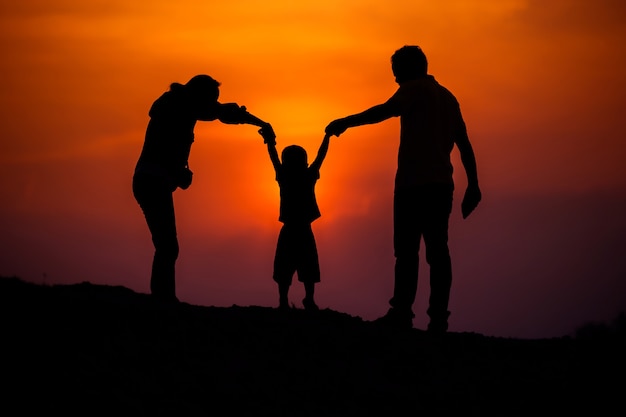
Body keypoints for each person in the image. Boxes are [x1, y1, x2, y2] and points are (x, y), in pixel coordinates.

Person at [325, 45, 481, 333]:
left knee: (407, 252)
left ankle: (402, 313)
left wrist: (345, 122)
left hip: (413, 185)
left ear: (407, 69)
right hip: (441, 185)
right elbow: (464, 143)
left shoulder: (413, 89)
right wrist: (473, 184)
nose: (395, 79)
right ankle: (438, 318)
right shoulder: (448, 97)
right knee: (438, 251)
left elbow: (383, 111)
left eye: (397, 72)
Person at [133, 74, 276, 303]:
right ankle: (163, 299)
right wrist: (177, 171)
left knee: (166, 245)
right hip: (152, 180)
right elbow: (219, 114)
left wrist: (259, 123)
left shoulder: (183, 106)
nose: (214, 104)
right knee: (168, 246)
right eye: (212, 99)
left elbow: (225, 113)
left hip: (152, 179)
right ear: (200, 95)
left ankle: (162, 296)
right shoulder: (175, 106)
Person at [264, 132, 331, 311]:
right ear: (305, 162)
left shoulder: (284, 176)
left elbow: (273, 157)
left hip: (290, 230)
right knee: (304, 267)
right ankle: (305, 299)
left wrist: (270, 143)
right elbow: (320, 156)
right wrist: (327, 138)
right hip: (303, 229)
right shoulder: (307, 176)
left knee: (286, 268)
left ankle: (285, 301)